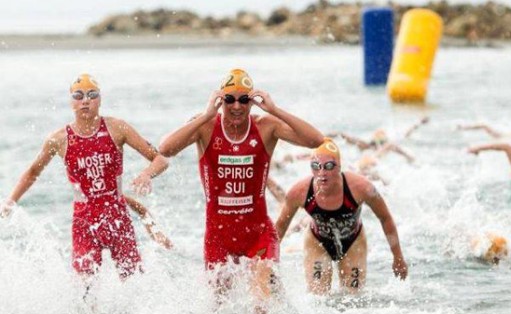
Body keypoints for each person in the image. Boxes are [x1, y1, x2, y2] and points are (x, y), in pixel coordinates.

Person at [158, 69, 323, 302]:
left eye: (244, 99)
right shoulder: (205, 126)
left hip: (258, 235)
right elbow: (165, 149)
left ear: (253, 102)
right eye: (229, 100)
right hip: (218, 238)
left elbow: (316, 141)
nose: (237, 106)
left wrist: (274, 110)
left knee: (262, 305)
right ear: (220, 101)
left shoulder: (266, 126)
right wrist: (205, 115)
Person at [0, 74, 169, 280]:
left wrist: (146, 174)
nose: (85, 100)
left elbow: (160, 159)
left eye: (92, 94)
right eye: (79, 95)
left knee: (134, 280)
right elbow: (32, 172)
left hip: (118, 218)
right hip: (84, 223)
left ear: (100, 99)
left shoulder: (117, 128)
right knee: (85, 289)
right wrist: (10, 201)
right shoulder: (59, 139)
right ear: (71, 102)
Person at [275, 138, 407, 295]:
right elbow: (280, 227)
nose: (322, 173)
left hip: (353, 242)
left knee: (354, 298)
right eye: (316, 166)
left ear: (339, 166)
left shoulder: (362, 188)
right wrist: (270, 262)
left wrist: (398, 257)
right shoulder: (299, 192)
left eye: (329, 166)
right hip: (317, 243)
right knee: (317, 299)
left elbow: (385, 218)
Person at [330, 128, 415, 163]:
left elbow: (404, 136)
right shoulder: (365, 145)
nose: (379, 146)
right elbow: (342, 135)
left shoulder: (383, 148)